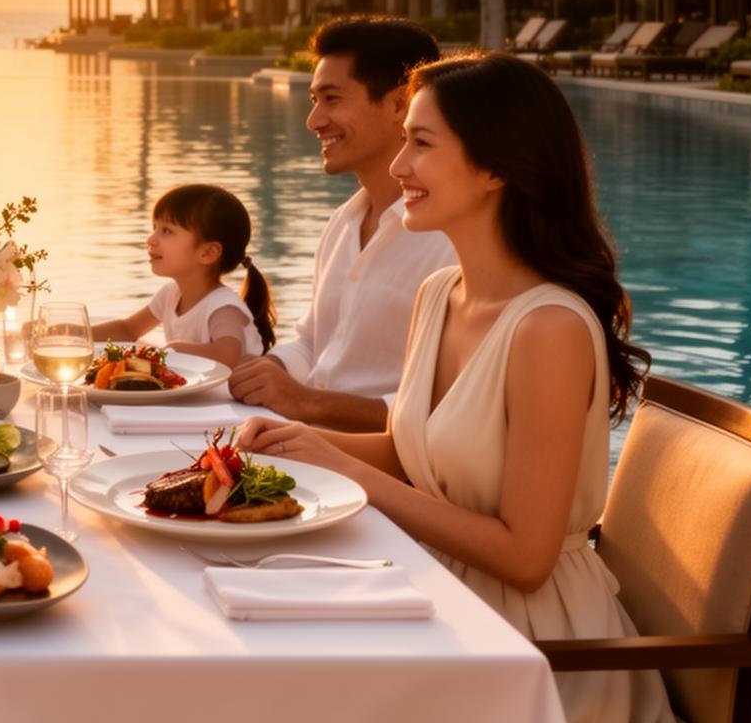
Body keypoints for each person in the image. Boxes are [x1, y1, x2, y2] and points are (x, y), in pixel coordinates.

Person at [237, 52, 669, 723]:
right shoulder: (439, 294)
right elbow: (416, 453)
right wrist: (293, 444)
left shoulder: (547, 329)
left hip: (530, 649)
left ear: (497, 167)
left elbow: (525, 558)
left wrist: (347, 468)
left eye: (421, 143)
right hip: (434, 593)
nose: (398, 165)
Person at [226, 16, 455, 431]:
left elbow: (446, 409)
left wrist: (309, 404)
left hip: (382, 476)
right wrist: (265, 370)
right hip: (309, 449)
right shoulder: (343, 223)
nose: (313, 120)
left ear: (400, 104)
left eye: (331, 99)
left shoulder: (452, 242)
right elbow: (313, 343)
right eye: (315, 100)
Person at [90, 183, 274, 367]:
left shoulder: (223, 307)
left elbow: (227, 355)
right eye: (155, 228)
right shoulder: (171, 294)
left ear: (208, 253)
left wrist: (173, 350)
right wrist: (72, 333)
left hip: (232, 394)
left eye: (167, 231)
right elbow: (128, 329)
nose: (151, 240)